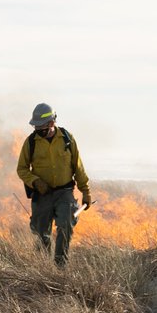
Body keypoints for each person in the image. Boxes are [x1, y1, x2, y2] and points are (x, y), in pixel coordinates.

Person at [16, 103, 93, 265]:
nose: (38, 130)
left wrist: (85, 191)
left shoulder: (66, 138)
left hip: (64, 192)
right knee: (41, 233)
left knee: (66, 226)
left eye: (41, 127)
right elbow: (21, 169)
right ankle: (43, 267)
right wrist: (35, 181)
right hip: (42, 195)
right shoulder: (31, 142)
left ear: (51, 123)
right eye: (36, 127)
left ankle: (60, 266)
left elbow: (77, 167)